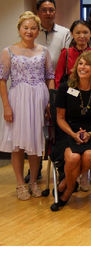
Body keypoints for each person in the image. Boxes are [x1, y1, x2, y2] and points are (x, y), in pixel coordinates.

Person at [0, 11, 55, 200]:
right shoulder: (8, 51)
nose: (29, 31)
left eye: (33, 28)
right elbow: (2, 80)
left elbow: (50, 78)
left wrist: (50, 102)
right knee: (18, 145)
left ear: (38, 30)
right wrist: (6, 106)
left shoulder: (44, 51)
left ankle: (33, 180)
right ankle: (20, 183)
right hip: (18, 99)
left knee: (36, 142)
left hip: (39, 97)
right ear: (19, 29)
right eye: (26, 28)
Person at [50, 51, 91, 211]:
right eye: (80, 63)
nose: (82, 67)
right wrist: (73, 134)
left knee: (90, 155)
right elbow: (60, 118)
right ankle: (70, 186)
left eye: (87, 64)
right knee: (73, 157)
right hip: (69, 130)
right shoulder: (66, 87)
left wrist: (90, 133)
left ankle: (66, 186)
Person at [54, 19, 91, 89]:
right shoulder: (66, 53)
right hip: (70, 91)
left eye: (85, 32)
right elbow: (58, 77)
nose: (82, 36)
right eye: (78, 33)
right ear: (72, 34)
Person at [36, 0, 71, 73]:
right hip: (35, 78)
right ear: (38, 13)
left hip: (58, 78)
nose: (48, 13)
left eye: (51, 10)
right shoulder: (33, 32)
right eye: (44, 10)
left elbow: (67, 58)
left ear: (55, 12)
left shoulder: (65, 32)